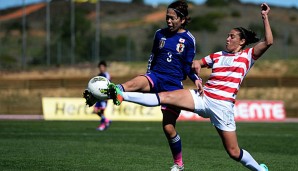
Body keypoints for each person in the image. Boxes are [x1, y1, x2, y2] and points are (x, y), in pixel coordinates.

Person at [108, 3, 272, 171]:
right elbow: (195, 63)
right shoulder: (217, 55)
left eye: (231, 36)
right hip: (203, 97)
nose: (227, 39)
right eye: (228, 36)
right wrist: (197, 71)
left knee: (233, 152)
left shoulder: (248, 56)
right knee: (166, 97)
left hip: (222, 107)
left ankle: (260, 169)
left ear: (242, 41)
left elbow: (268, 42)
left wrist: (265, 17)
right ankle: (120, 94)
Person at [84, 1, 200, 170]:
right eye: (167, 17)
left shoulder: (189, 40)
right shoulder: (159, 34)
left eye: (172, 18)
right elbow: (153, 56)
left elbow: (188, 65)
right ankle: (108, 92)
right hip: (156, 75)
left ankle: (179, 163)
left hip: (173, 84)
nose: (168, 21)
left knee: (168, 129)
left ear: (182, 20)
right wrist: (147, 74)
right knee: (132, 83)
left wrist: (196, 78)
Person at [94, 61, 111, 131]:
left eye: (102, 67)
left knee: (101, 111)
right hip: (99, 96)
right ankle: (106, 121)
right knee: (96, 110)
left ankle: (103, 125)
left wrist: (107, 96)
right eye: (100, 67)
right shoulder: (99, 75)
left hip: (104, 96)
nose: (101, 68)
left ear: (105, 67)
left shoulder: (106, 75)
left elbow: (108, 85)